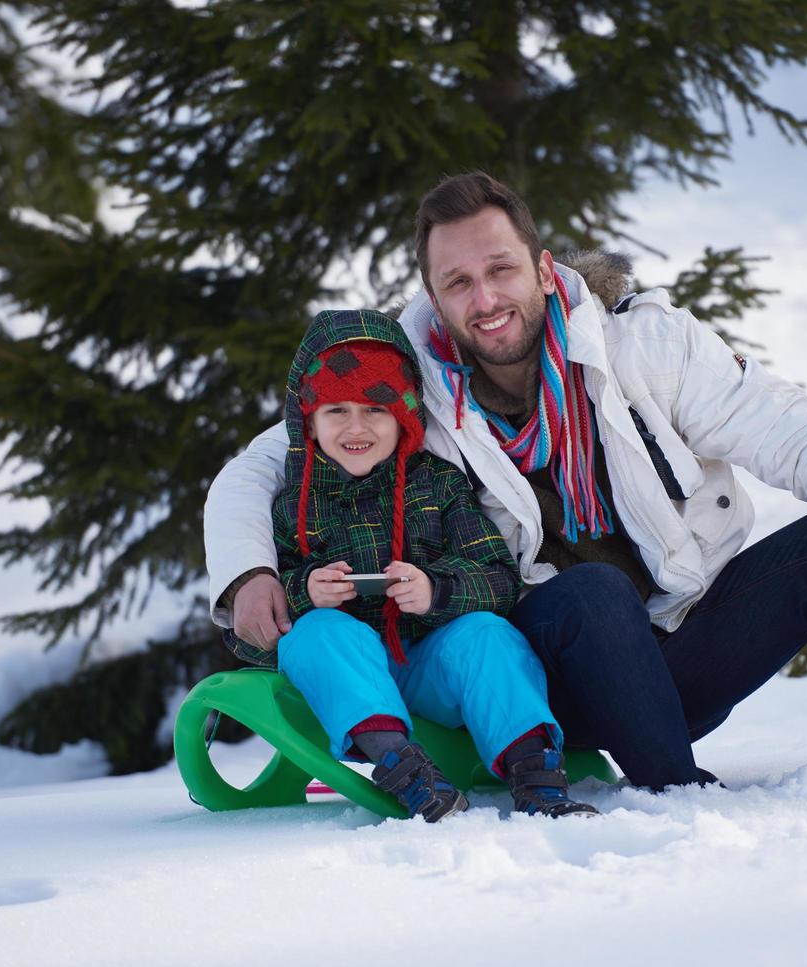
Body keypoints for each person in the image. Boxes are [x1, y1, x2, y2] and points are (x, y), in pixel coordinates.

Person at [207, 172, 807, 793]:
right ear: (434, 296)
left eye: (499, 269)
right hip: (549, 673)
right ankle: (677, 795)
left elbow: (798, 429)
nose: (484, 299)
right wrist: (248, 573)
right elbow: (263, 464)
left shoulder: (644, 346)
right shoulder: (412, 391)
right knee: (594, 591)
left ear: (541, 266)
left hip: (683, 641)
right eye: (457, 282)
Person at [225, 307, 598, 820]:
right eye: (336, 411)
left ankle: (536, 775)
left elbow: (498, 578)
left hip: (429, 665)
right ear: (307, 419)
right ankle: (407, 773)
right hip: (346, 678)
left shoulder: (439, 486)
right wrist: (304, 591)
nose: (356, 428)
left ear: (403, 416)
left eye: (376, 409)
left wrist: (437, 590)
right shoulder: (291, 504)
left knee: (487, 634)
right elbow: (252, 634)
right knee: (318, 633)